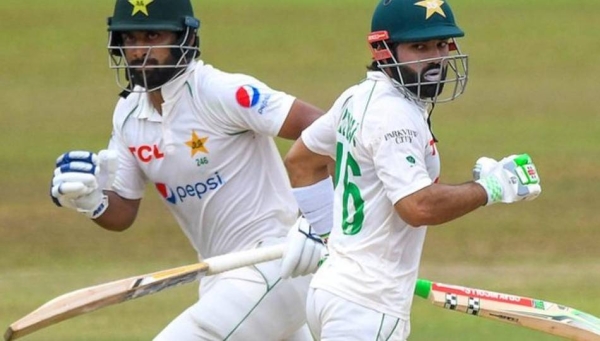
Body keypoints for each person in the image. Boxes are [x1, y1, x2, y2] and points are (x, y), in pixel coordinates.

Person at [49, 0, 326, 340]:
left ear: (187, 38)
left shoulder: (219, 91)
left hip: (281, 261)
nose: (139, 51)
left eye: (153, 36)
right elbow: (122, 211)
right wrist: (91, 200)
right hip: (219, 274)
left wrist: (318, 222)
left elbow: (326, 130)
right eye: (130, 39)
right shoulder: (128, 113)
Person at [282, 0, 542, 340]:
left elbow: (302, 160)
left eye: (440, 44)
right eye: (419, 47)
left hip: (333, 292)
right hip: (368, 305)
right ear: (383, 50)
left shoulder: (358, 97)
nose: (435, 57)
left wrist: (327, 235)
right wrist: (492, 189)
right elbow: (417, 206)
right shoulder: (393, 115)